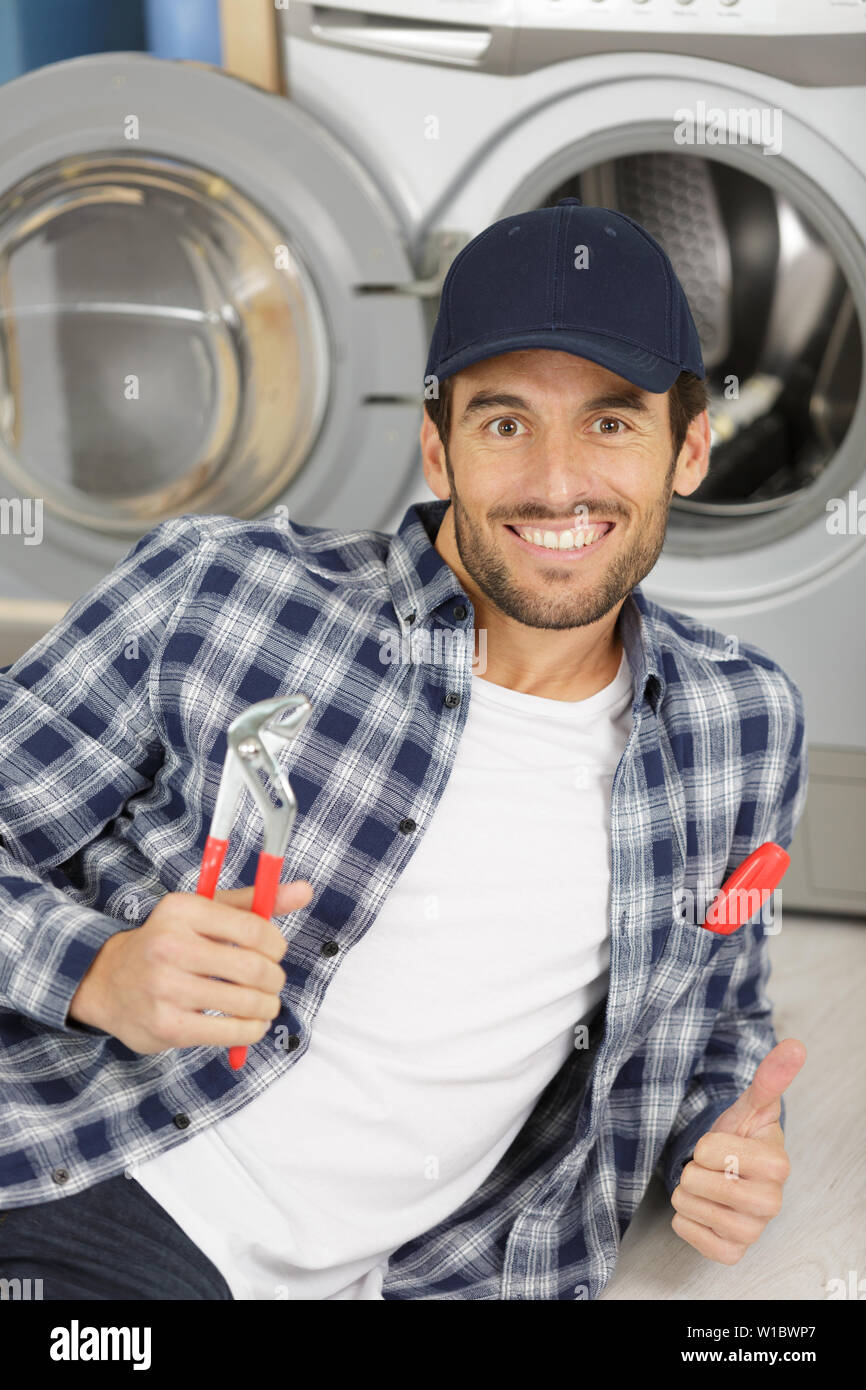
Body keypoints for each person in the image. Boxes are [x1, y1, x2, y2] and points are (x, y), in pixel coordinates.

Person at [0, 199, 807, 1301]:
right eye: (505, 422)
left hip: (427, 1273)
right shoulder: (222, 590)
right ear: (437, 445)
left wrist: (721, 1137)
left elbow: (721, 1002)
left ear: (690, 448)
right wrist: (97, 971)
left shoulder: (742, 726)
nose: (557, 480)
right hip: (89, 1190)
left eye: (611, 423)